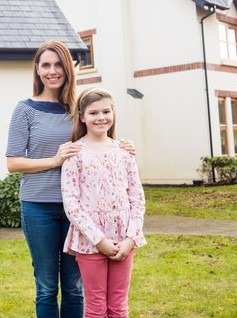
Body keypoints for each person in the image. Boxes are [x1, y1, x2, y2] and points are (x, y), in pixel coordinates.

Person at [6, 40, 135, 318]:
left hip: (80, 211)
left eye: (58, 65)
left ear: (68, 68)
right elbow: (13, 163)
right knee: (46, 285)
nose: (52, 71)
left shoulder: (78, 107)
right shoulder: (25, 109)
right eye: (46, 65)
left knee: (75, 286)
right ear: (37, 70)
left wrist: (123, 147)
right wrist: (54, 160)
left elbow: (100, 136)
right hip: (39, 205)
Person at [61, 87, 146, 318]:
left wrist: (131, 238)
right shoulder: (75, 154)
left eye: (106, 111)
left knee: (119, 306)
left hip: (124, 239)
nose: (100, 117)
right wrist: (99, 240)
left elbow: (137, 199)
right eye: (93, 112)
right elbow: (71, 203)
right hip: (91, 242)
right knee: (96, 307)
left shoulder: (125, 152)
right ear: (82, 116)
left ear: (113, 113)